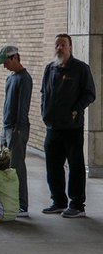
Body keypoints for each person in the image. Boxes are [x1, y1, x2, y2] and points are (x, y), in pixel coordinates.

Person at [41, 33, 96, 218]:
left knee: (75, 166)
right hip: (53, 126)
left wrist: (75, 110)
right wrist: (44, 112)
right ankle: (58, 201)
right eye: (57, 45)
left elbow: (90, 94)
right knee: (53, 165)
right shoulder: (50, 69)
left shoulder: (80, 69)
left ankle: (77, 204)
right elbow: (44, 93)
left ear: (70, 48)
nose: (60, 48)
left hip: (72, 128)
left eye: (63, 45)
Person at [0, 45, 33, 217]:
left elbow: (22, 108)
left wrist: (17, 131)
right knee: (4, 167)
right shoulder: (10, 78)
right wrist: (3, 130)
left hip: (17, 129)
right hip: (6, 128)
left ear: (15, 58)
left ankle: (22, 205)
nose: (4, 66)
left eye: (6, 62)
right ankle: (8, 201)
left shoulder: (24, 78)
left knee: (17, 168)